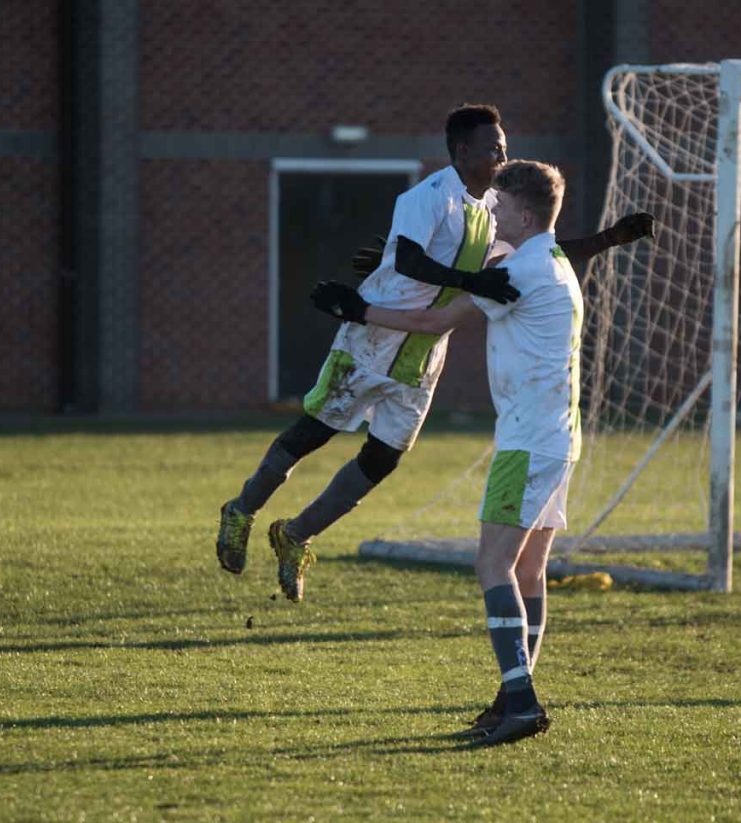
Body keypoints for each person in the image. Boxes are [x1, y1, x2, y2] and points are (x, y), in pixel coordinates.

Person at [216, 103, 650, 605]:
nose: (502, 156)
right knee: (315, 432)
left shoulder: (495, 209)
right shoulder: (428, 196)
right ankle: (241, 509)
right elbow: (406, 258)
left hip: (424, 352)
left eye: (504, 148)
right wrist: (468, 279)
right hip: (373, 334)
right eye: (493, 149)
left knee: (382, 459)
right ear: (462, 152)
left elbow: (540, 251)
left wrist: (610, 239)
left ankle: (296, 535)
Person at [310, 159, 595, 746]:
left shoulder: (521, 270)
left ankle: (520, 702)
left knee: (492, 566)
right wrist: (396, 266)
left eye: (498, 202)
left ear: (522, 211)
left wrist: (356, 309)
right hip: (558, 438)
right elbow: (466, 275)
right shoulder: (553, 261)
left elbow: (433, 319)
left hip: (527, 442)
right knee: (527, 569)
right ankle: (510, 697)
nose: (489, 209)